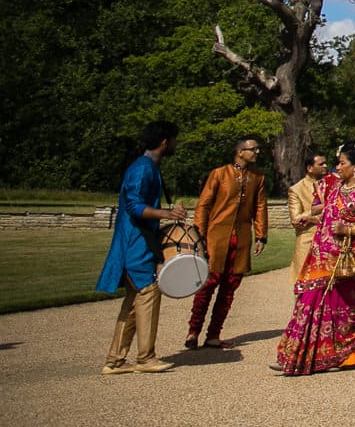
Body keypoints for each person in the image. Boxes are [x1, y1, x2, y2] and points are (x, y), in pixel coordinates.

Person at [274, 143, 355, 375]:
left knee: (342, 309)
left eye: (342, 163)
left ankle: (341, 356)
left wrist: (347, 229)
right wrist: (312, 219)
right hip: (323, 258)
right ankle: (294, 355)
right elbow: (327, 214)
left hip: (351, 259)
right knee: (308, 302)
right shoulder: (337, 188)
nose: (337, 167)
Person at [98, 120, 189, 375]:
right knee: (148, 292)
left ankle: (115, 360)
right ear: (164, 142)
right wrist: (166, 213)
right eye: (174, 140)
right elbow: (133, 206)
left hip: (141, 241)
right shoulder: (142, 169)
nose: (175, 144)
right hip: (135, 242)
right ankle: (146, 357)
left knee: (135, 298)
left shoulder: (149, 167)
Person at [184, 134, 270, 351]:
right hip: (216, 236)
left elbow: (260, 207)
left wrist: (261, 235)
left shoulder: (257, 178)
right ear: (240, 152)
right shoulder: (219, 174)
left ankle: (214, 334)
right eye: (253, 149)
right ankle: (193, 331)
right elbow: (203, 205)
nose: (257, 152)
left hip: (241, 238)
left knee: (230, 286)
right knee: (208, 283)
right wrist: (199, 234)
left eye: (257, 149)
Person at [287, 150, 330, 288]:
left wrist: (313, 219)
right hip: (307, 243)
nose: (325, 166)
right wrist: (314, 210)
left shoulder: (334, 184)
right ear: (310, 168)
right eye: (321, 164)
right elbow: (296, 221)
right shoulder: (296, 190)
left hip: (329, 242)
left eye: (325, 163)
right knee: (304, 288)